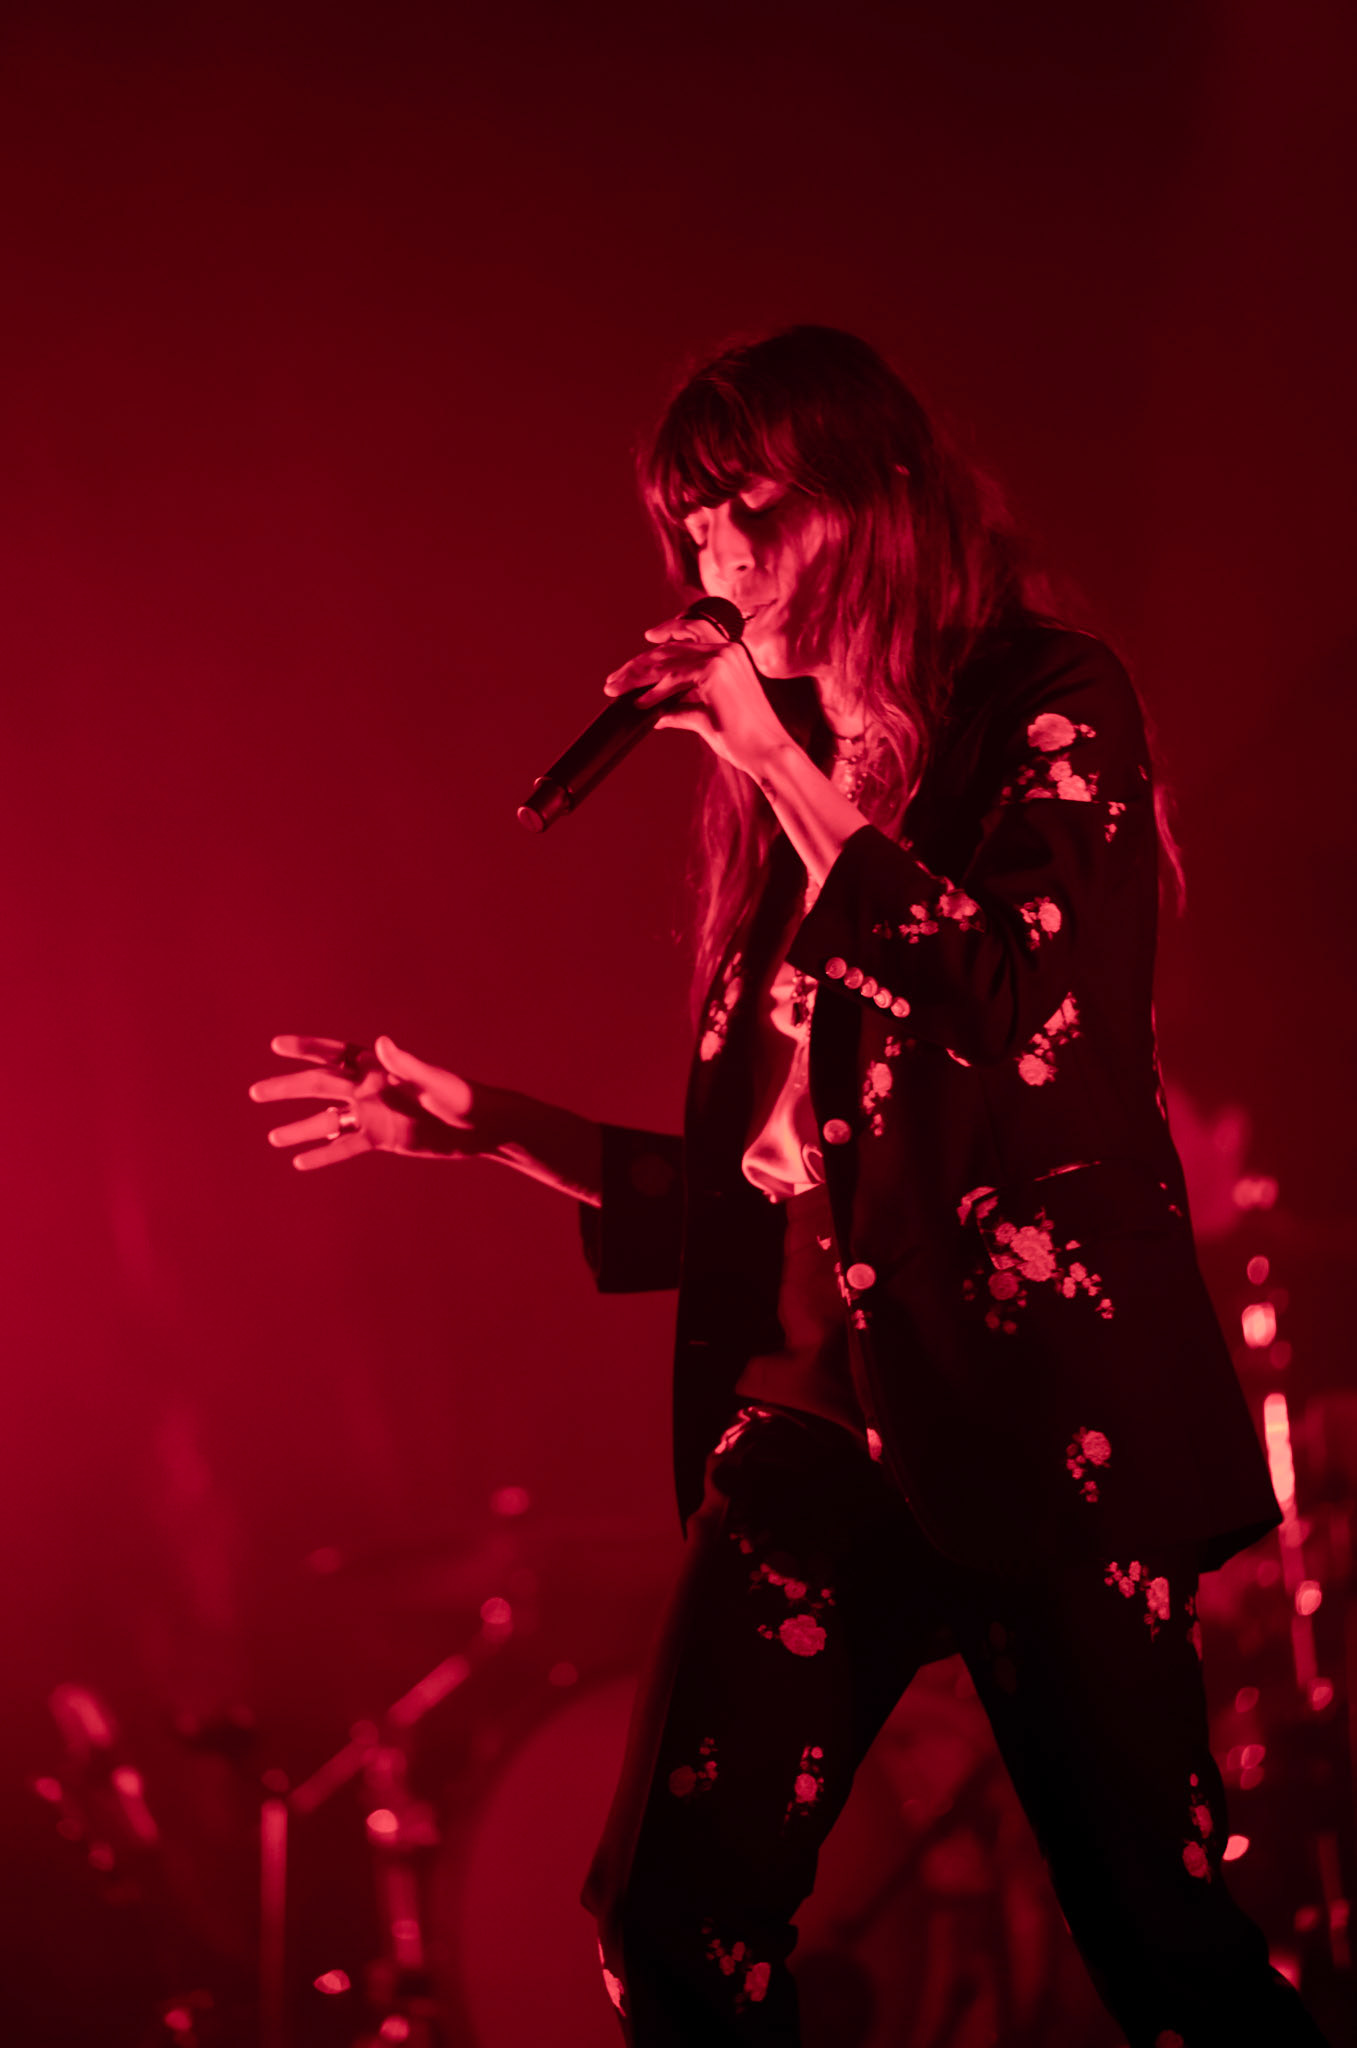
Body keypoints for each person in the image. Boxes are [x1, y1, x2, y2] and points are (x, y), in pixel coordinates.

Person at [250, 327, 1327, 2046]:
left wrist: (771, 761)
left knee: (1156, 1937)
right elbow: (774, 1196)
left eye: (748, 511)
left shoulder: (1047, 707)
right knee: (670, 1921)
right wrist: (490, 1124)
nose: (716, 565)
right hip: (814, 1413)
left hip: (1035, 1414)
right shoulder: (792, 788)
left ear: (879, 498)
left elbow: (1012, 1022)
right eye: (690, 530)